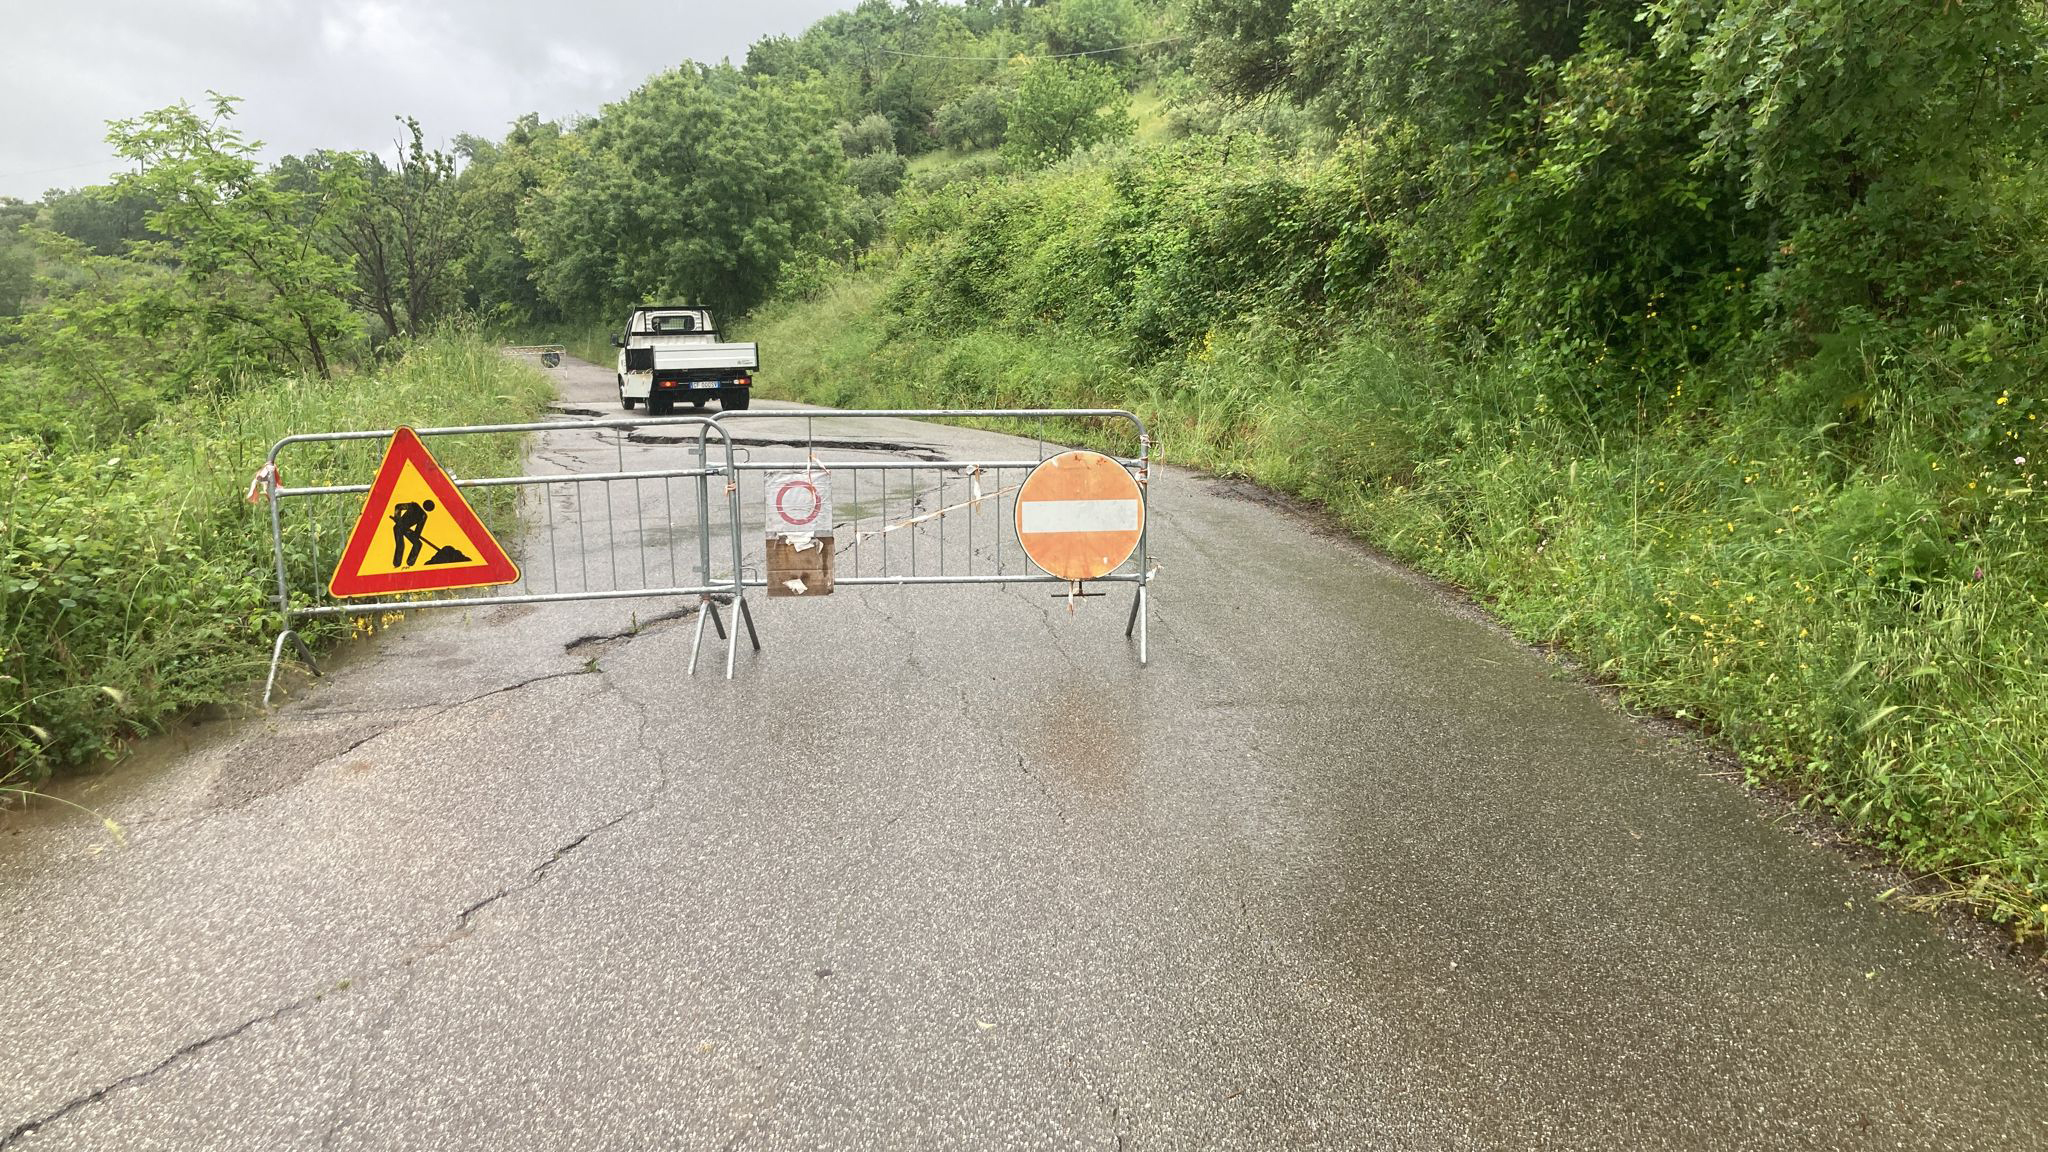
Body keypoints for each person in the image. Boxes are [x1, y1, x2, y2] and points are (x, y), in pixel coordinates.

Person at [390, 499, 435, 567]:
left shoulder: (424, 516)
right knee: (400, 545)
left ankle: (410, 563)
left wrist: (415, 535)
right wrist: (397, 518)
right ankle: (397, 564)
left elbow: (418, 531)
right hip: (398, 527)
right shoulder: (414, 505)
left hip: (407, 530)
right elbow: (398, 506)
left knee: (418, 544)